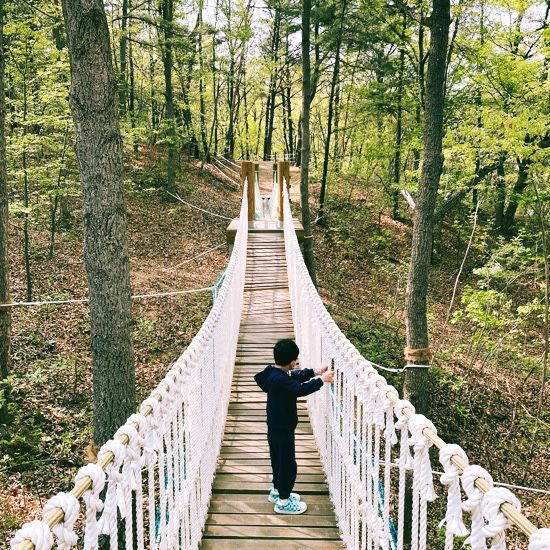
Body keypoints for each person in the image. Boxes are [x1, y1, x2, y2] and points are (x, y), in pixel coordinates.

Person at [254, 339, 334, 515]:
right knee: (288, 465)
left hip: (275, 427)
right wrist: (322, 380)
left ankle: (277, 491)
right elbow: (300, 389)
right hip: (283, 429)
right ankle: (283, 501)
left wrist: (315, 372)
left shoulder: (273, 374)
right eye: (295, 360)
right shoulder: (281, 381)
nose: (296, 363)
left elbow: (295, 376)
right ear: (292, 362)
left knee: (278, 461)